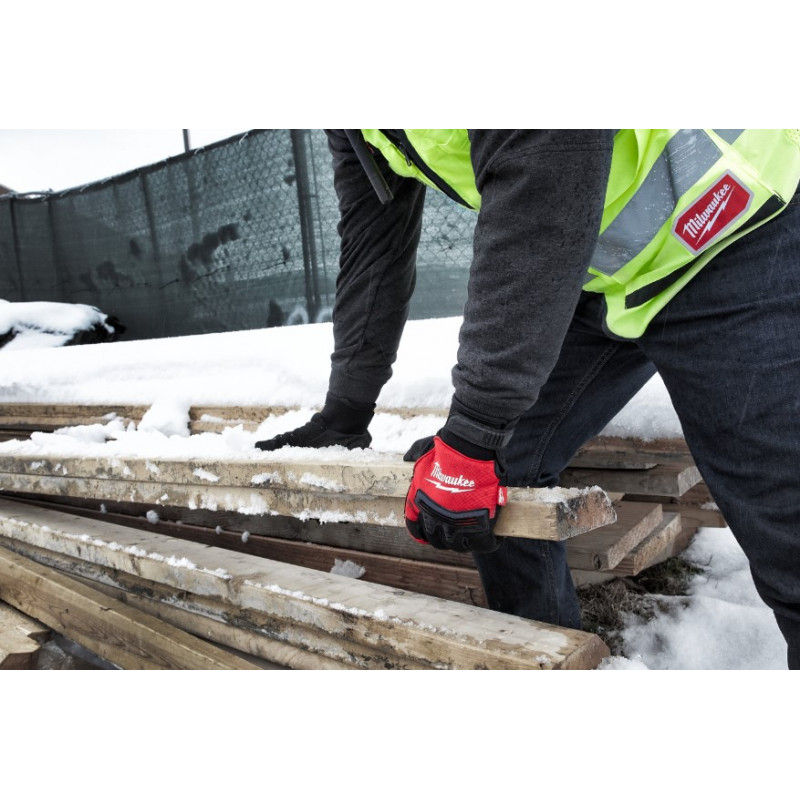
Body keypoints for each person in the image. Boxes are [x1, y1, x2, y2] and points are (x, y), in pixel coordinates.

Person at [257, 129, 800, 669]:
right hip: (599, 273)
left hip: (732, 227)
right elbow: (373, 243)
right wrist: (347, 411)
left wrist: (476, 428)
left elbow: (551, 162)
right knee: (504, 469)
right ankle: (548, 665)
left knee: (786, 533)